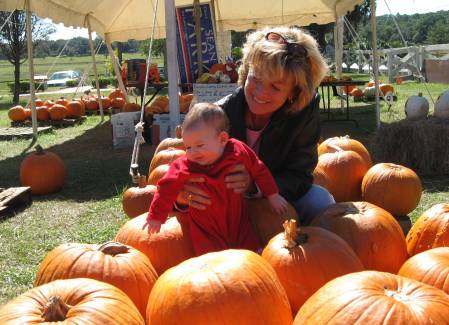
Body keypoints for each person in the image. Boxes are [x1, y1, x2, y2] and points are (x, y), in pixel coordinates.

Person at [177, 26, 335, 225]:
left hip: (277, 197)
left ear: (293, 93)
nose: (260, 92)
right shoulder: (218, 114)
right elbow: (189, 170)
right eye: (256, 78)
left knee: (319, 200)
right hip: (227, 200)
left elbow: (299, 175)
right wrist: (181, 195)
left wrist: (255, 185)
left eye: (275, 86)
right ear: (245, 72)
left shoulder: (304, 112)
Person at [146, 102, 288, 256]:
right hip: (206, 227)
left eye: (199, 145)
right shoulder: (186, 164)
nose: (192, 152)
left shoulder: (237, 150)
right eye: (188, 147)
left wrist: (272, 195)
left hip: (238, 220)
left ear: (222, 139)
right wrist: (156, 216)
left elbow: (258, 169)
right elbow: (166, 186)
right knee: (212, 259)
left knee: (250, 252)